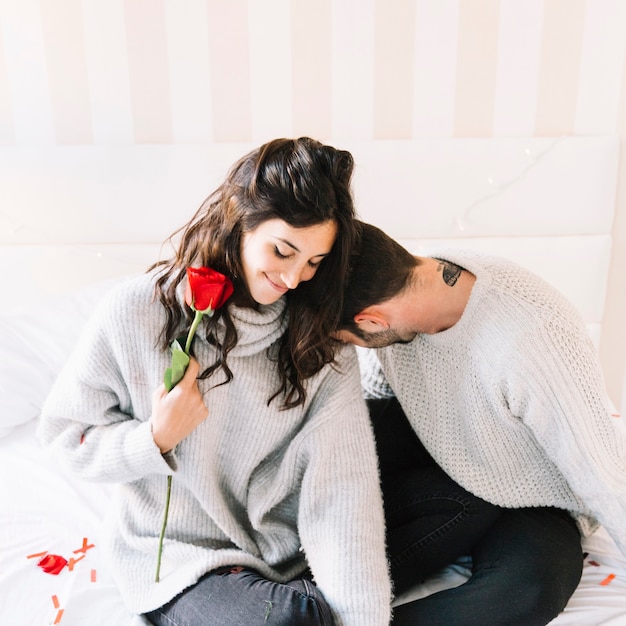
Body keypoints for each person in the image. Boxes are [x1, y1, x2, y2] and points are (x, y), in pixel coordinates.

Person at [38, 139, 392, 626]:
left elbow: (341, 488)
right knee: (291, 618)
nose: (293, 278)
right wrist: (154, 439)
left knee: (490, 518)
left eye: (313, 263)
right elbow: (63, 439)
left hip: (289, 547)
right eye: (282, 251)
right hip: (184, 560)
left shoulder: (316, 334)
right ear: (240, 219)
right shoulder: (139, 311)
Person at [335, 221, 626, 626]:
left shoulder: (533, 339)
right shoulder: (406, 286)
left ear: (372, 320)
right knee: (335, 438)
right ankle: (275, 592)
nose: (357, 347)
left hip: (530, 493)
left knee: (529, 590)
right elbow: (377, 403)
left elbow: (602, 471)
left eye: (352, 338)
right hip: (436, 450)